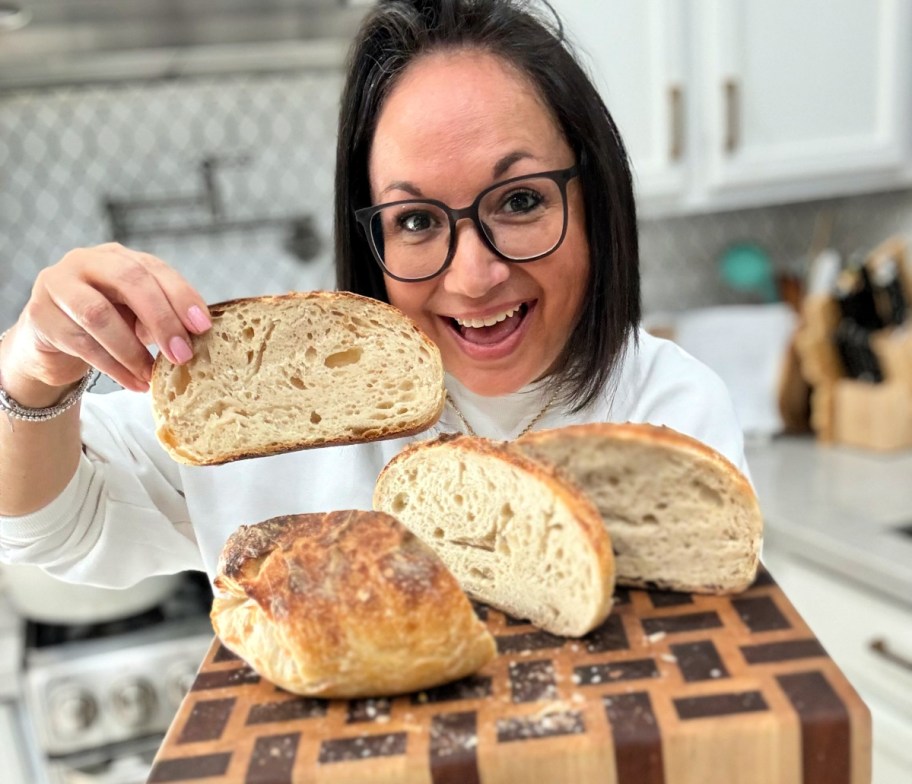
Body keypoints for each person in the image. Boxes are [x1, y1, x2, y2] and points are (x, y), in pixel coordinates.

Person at [0, 0, 747, 587]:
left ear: (594, 200)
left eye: (520, 202)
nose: (474, 276)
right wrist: (32, 369)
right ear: (372, 239)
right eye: (417, 220)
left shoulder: (666, 409)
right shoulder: (267, 412)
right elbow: (45, 528)